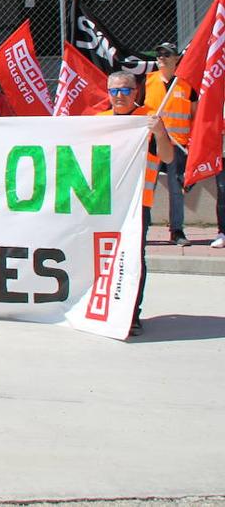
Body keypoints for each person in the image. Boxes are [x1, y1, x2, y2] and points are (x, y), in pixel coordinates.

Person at [98, 71, 173, 337]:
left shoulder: (149, 119)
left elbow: (167, 156)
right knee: (101, 259)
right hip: (102, 204)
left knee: (132, 259)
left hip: (137, 203)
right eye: (114, 91)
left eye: (125, 90)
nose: (119, 96)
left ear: (135, 92)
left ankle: (132, 315)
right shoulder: (99, 121)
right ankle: (103, 310)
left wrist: (161, 134)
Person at [143, 42, 197, 247]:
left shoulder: (187, 85)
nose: (161, 58)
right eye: (158, 54)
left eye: (166, 54)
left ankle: (177, 231)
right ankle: (143, 228)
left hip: (178, 146)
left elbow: (195, 116)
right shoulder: (147, 82)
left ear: (176, 59)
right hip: (151, 144)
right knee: (148, 189)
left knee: (176, 190)